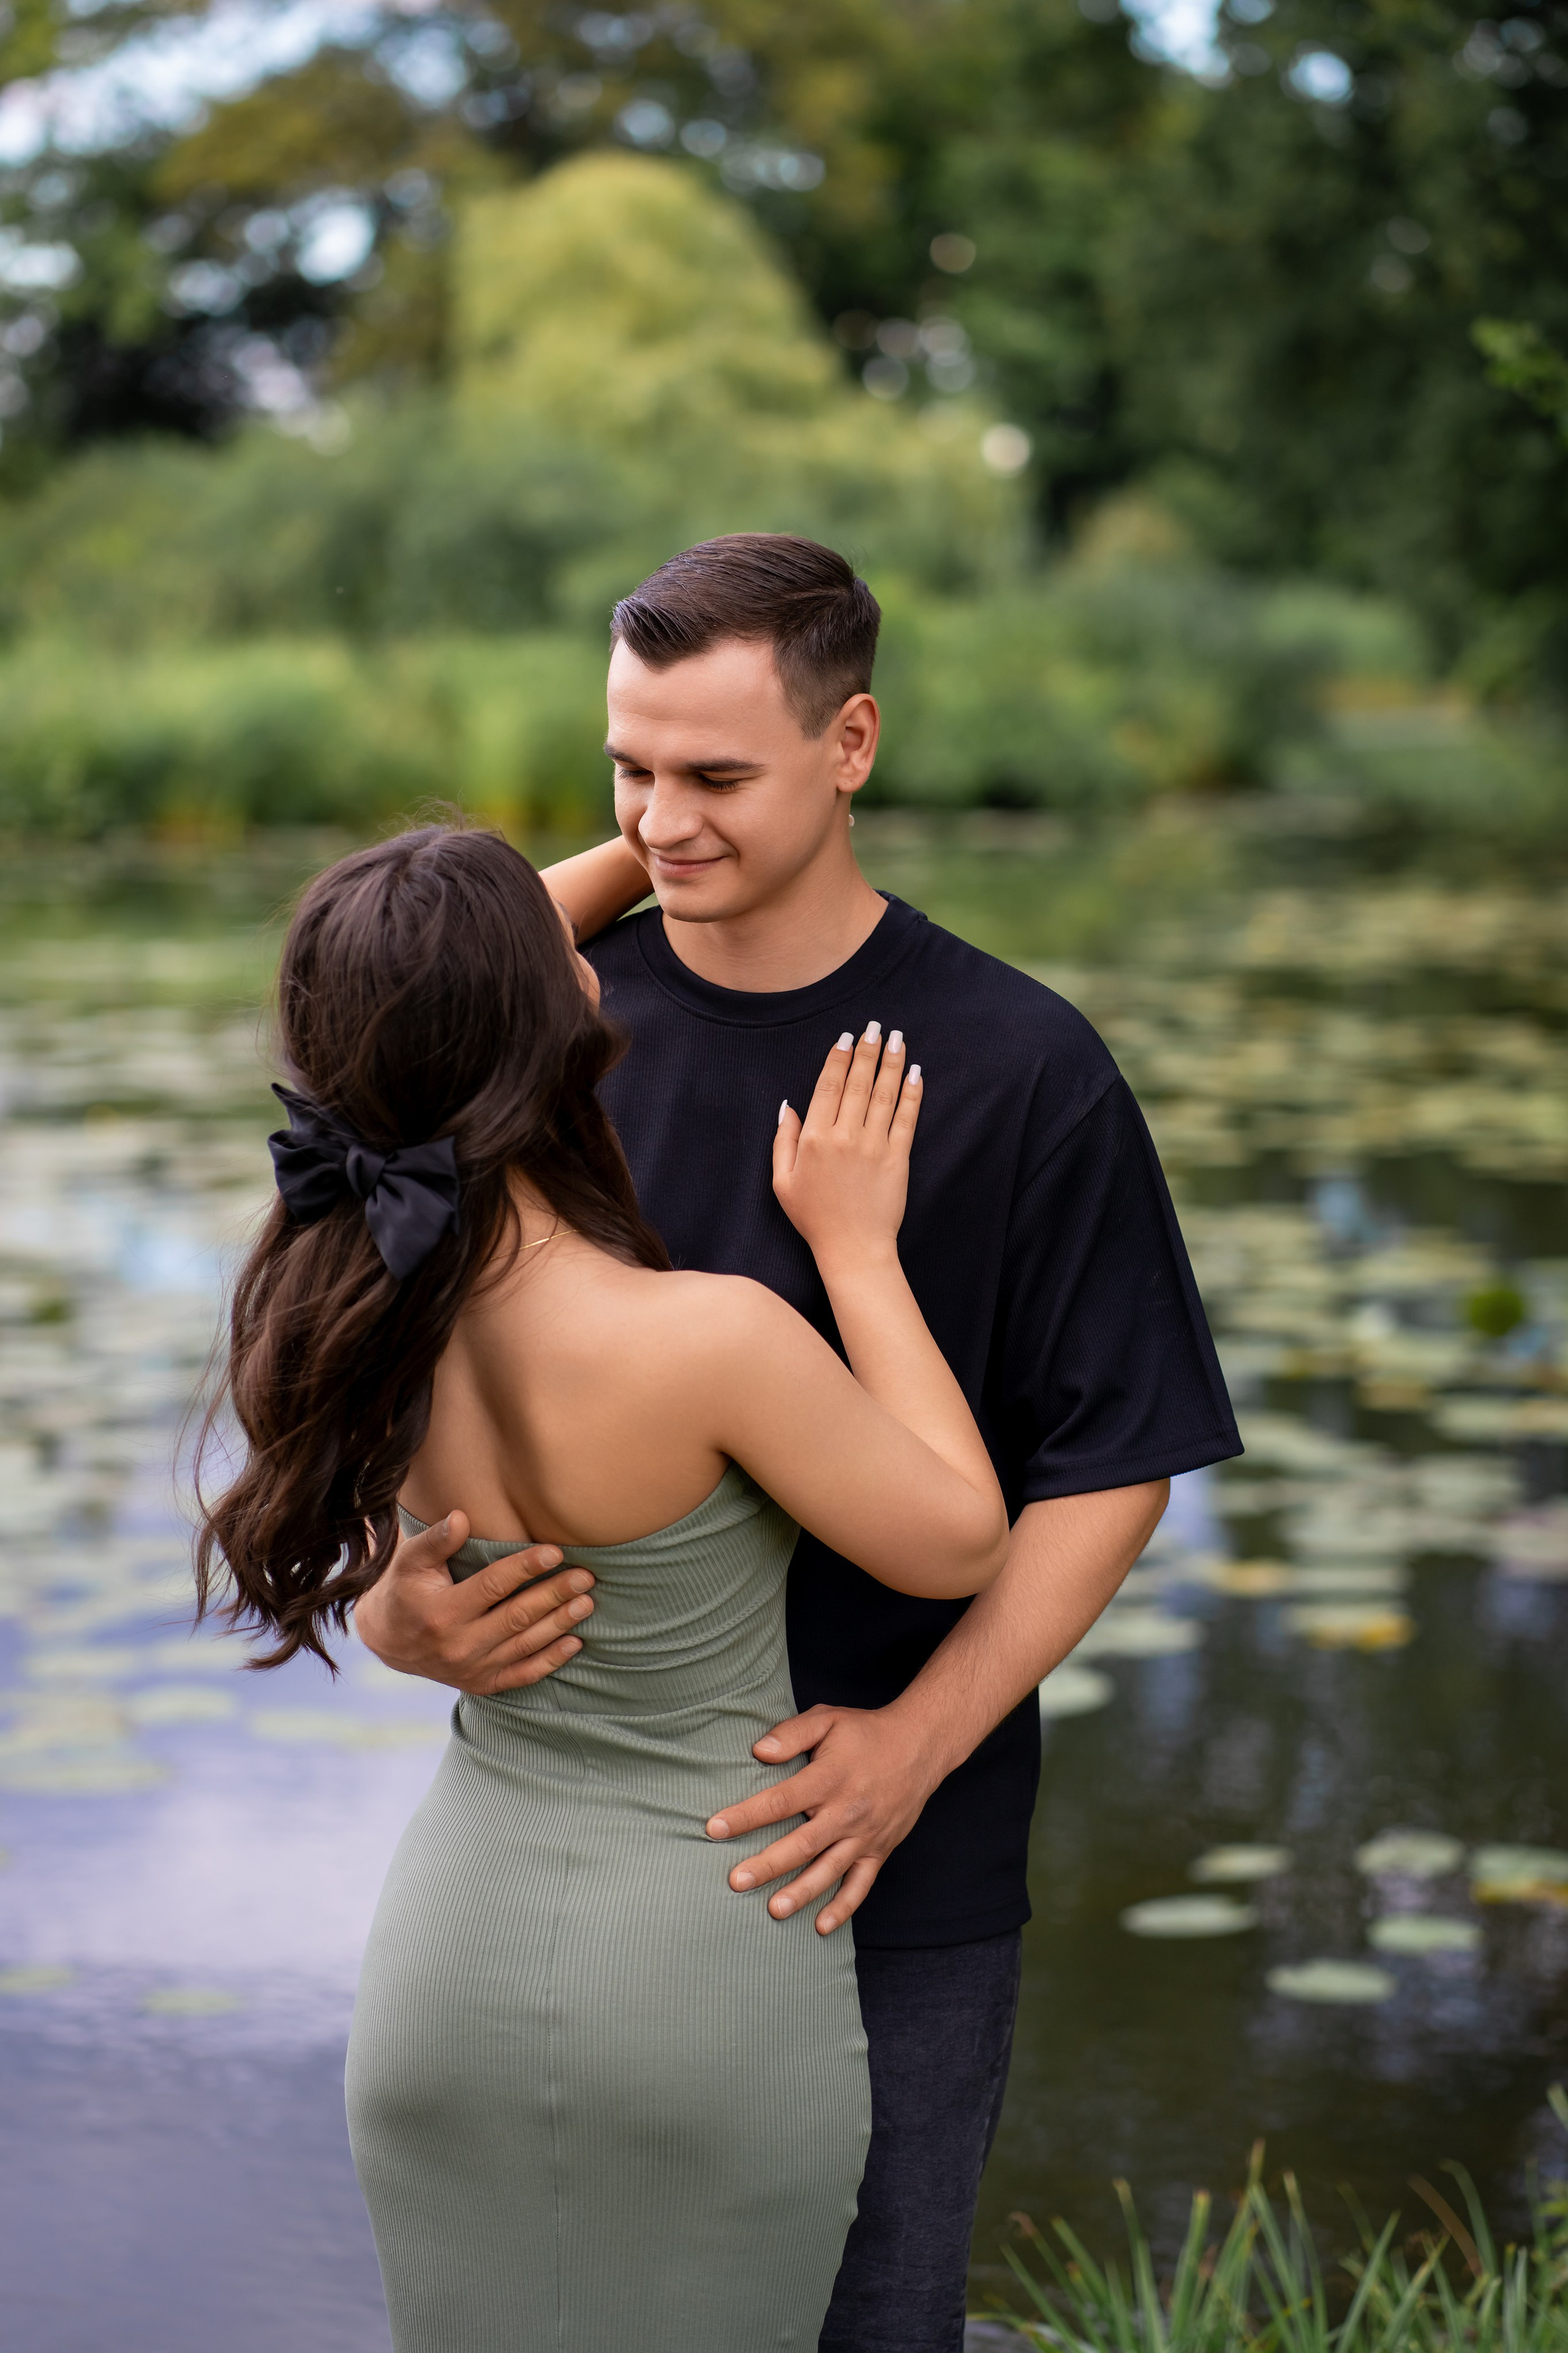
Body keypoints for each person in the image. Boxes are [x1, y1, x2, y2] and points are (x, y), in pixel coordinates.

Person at [355, 534, 1243, 2353]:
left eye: (715, 775)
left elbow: (1115, 1457)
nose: (662, 820)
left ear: (853, 746)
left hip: (888, 1858)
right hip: (582, 1856)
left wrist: (917, 1747)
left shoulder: (1018, 1063)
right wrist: (394, 1605)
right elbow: (396, 1306)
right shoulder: (556, 1033)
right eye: (628, 768)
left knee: (877, 2326)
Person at [194, 821, 1012, 2352]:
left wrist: (651, 834)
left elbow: (399, 992)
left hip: (451, 1969)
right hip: (696, 1963)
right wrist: (857, 1249)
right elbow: (960, 1536)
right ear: (551, 1024)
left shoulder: (350, 1300)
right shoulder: (704, 1336)